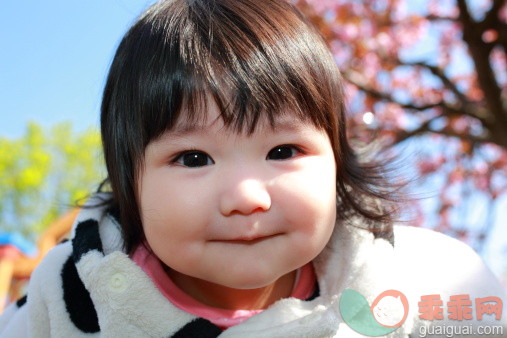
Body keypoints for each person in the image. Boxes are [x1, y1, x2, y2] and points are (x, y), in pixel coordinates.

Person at [1, 0, 506, 336]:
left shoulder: (426, 283)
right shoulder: (69, 301)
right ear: (129, 183)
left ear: (337, 163)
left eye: (283, 151)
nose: (247, 196)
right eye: (193, 158)